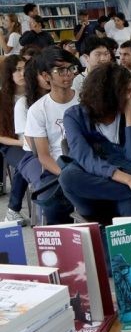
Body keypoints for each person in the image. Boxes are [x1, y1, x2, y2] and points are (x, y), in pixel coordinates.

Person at [59, 62, 131, 222]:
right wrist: (130, 181)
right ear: (109, 94)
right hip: (96, 189)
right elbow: (85, 158)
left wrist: (130, 114)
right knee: (68, 177)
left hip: (126, 182)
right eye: (126, 91)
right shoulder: (74, 116)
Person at [19, 46, 78, 225]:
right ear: (46, 76)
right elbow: (43, 156)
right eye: (60, 70)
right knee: (53, 205)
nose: (67, 74)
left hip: (88, 164)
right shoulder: (38, 110)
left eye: (70, 68)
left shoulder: (85, 100)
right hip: (57, 168)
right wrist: (67, 174)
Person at [0, 56, 29, 224]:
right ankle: (13, 210)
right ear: (9, 74)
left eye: (25, 69)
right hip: (11, 143)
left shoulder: (35, 93)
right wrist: (22, 143)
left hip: (36, 140)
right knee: (25, 161)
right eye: (18, 70)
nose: (23, 73)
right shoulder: (2, 98)